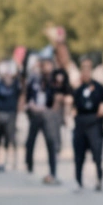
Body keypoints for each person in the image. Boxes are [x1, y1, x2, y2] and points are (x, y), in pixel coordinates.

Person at [70, 58, 103, 191]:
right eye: (83, 69)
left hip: (94, 123)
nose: (86, 72)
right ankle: (78, 181)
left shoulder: (98, 87)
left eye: (88, 69)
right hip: (81, 123)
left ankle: (99, 178)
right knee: (79, 155)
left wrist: (102, 122)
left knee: (97, 154)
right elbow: (73, 107)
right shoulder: (78, 89)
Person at [24, 57, 64, 185]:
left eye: (48, 65)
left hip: (48, 114)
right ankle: (29, 164)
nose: (46, 68)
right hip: (35, 114)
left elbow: (59, 97)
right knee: (30, 142)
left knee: (51, 144)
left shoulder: (55, 81)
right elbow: (28, 95)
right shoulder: (34, 79)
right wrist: (30, 106)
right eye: (44, 65)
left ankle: (53, 171)